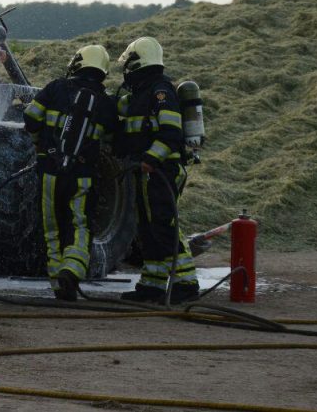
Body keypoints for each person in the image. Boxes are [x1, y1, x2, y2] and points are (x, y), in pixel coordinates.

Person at [23, 44, 118, 301]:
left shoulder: (56, 87)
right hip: (83, 175)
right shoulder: (106, 103)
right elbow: (113, 140)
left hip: (49, 173)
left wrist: (38, 145)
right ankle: (72, 270)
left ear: (77, 63)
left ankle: (58, 285)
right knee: (79, 224)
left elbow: (30, 117)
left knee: (51, 227)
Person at [114, 36, 199, 304]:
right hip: (145, 170)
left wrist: (151, 157)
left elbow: (171, 133)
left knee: (164, 224)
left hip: (161, 169)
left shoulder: (161, 92)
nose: (126, 70)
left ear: (137, 61)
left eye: (128, 64)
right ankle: (152, 284)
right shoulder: (141, 93)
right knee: (147, 228)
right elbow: (118, 112)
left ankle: (185, 282)